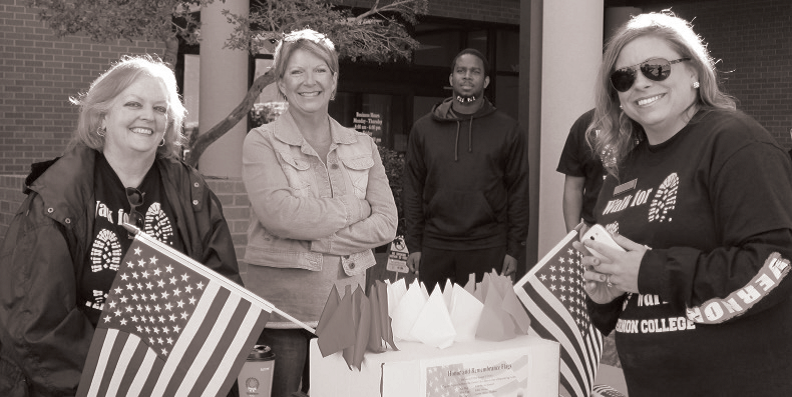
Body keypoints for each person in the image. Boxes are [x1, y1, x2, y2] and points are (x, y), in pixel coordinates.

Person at [574, 12, 792, 396]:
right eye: (623, 77)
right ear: (617, 97)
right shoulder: (620, 171)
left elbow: (775, 265)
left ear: (694, 72)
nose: (639, 83)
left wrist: (649, 272)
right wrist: (604, 298)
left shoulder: (736, 143)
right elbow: (627, 293)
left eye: (655, 69)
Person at [0, 55, 242, 396]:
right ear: (102, 116)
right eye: (133, 104)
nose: (148, 116)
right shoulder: (58, 195)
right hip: (86, 382)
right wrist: (122, 382)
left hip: (174, 382)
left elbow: (222, 297)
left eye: (160, 108)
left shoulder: (193, 194)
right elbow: (37, 321)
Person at [241, 29, 398, 397]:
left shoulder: (362, 144)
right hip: (284, 312)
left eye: (320, 70)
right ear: (281, 83)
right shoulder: (261, 142)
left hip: (347, 303)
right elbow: (279, 216)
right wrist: (356, 209)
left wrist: (313, 235)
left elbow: (387, 223)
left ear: (334, 80)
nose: (308, 81)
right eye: (296, 72)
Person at [403, 48, 529, 291]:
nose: (467, 76)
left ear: (486, 80)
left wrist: (514, 249)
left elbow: (518, 192)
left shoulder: (508, 129)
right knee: (434, 326)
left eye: (475, 71)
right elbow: (412, 189)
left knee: (481, 327)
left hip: (488, 246)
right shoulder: (423, 129)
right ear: (451, 79)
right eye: (461, 71)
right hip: (435, 245)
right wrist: (414, 244)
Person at [556, 108, 605, 232]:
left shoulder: (647, 120)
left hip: (641, 229)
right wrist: (572, 237)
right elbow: (573, 187)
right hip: (596, 229)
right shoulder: (586, 124)